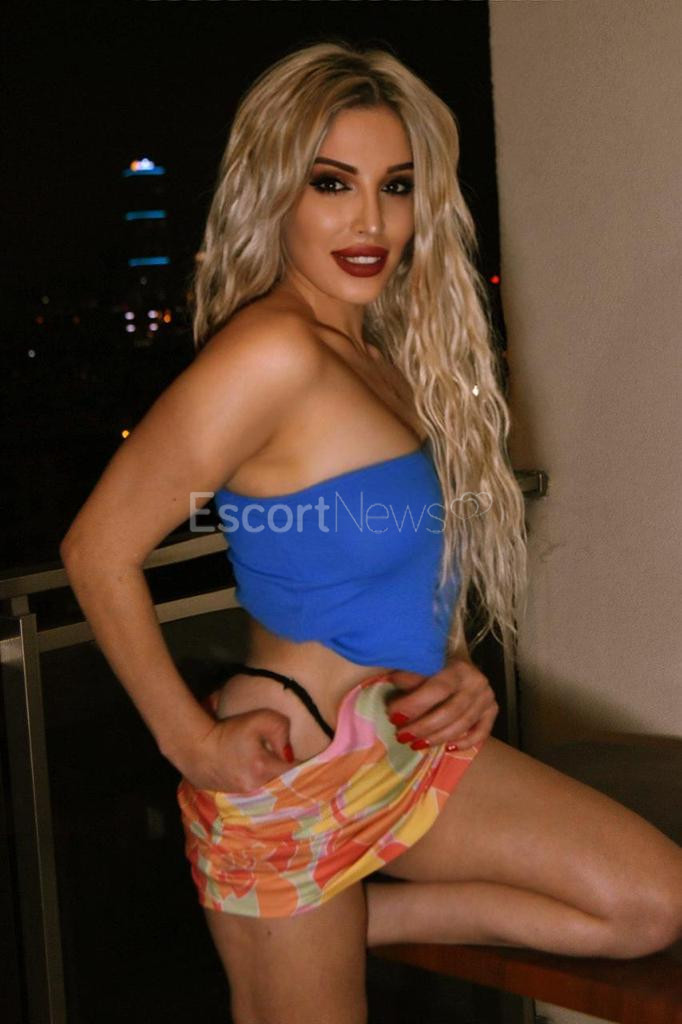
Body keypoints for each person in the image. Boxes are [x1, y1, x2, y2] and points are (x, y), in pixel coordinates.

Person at [61, 39, 682, 1024]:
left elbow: (401, 551)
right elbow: (96, 550)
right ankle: (291, 924)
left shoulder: (378, 355)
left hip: (401, 747)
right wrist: (192, 744)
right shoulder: (270, 353)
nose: (370, 221)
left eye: (394, 186)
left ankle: (346, 922)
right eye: (332, 183)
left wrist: (454, 663)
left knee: (649, 903)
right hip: (293, 773)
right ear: (276, 193)